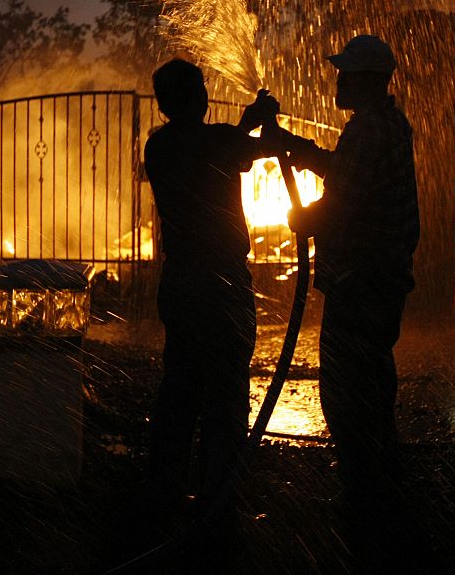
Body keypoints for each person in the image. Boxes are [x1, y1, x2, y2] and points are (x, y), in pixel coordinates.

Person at [283, 34, 420, 573]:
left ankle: (364, 502)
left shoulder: (366, 130)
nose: (336, 79)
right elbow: (347, 176)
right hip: (382, 279)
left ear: (364, 80)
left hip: (362, 281)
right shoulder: (387, 125)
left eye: (344, 73)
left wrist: (304, 220)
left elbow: (340, 205)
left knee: (347, 391)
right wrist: (301, 150)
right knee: (373, 381)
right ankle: (384, 483)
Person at [143, 58, 278, 567]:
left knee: (180, 390)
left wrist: (248, 125)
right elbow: (239, 152)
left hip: (181, 285)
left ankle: (163, 497)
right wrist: (258, 118)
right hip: (219, 284)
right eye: (199, 87)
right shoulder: (200, 142)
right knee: (224, 396)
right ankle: (217, 507)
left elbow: (233, 151)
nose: (204, 93)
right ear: (190, 98)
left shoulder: (161, 147)